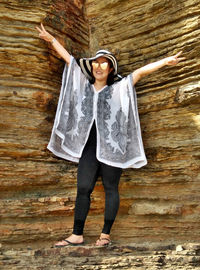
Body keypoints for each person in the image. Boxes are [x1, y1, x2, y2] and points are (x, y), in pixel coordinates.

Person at [36, 23, 185, 247]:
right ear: (92, 67)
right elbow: (70, 60)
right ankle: (77, 234)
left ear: (110, 69)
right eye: (96, 63)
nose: (98, 66)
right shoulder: (84, 86)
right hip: (88, 146)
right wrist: (52, 40)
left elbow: (141, 72)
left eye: (103, 63)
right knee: (83, 188)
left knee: (111, 188)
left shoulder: (120, 87)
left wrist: (165, 61)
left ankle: (105, 235)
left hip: (112, 146)